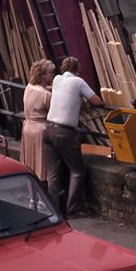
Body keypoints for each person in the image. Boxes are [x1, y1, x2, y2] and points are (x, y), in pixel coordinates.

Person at [44, 57, 104, 217]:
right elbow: (95, 100)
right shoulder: (78, 81)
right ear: (78, 69)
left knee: (53, 172)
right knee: (77, 170)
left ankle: (54, 208)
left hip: (48, 128)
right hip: (64, 131)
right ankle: (74, 208)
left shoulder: (57, 79)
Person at [21, 59, 55, 182]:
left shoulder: (29, 87)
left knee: (31, 161)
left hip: (28, 127)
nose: (53, 75)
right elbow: (53, 112)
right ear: (43, 75)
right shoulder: (46, 95)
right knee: (43, 163)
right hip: (40, 130)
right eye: (51, 73)